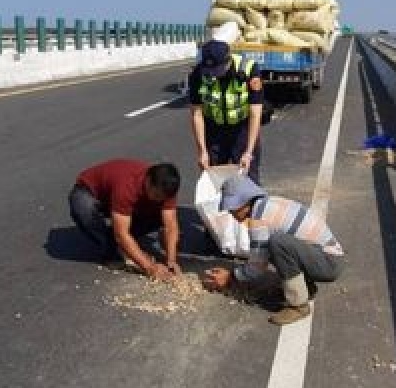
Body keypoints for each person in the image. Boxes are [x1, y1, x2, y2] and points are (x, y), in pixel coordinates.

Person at [200, 174, 345, 325]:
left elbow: (257, 267)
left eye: (233, 209)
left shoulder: (259, 218)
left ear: (245, 203)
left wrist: (231, 277)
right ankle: (305, 288)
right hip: (323, 256)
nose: (231, 213)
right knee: (274, 245)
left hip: (329, 263)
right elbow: (261, 255)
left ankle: (299, 306)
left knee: (277, 243)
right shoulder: (265, 204)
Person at [69, 159, 182, 280]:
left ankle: (127, 242)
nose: (159, 200)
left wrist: (171, 260)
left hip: (121, 200)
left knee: (161, 215)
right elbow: (121, 234)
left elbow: (170, 225)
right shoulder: (128, 186)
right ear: (148, 181)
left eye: (162, 198)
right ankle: (112, 250)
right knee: (83, 208)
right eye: (156, 196)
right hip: (92, 194)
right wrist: (150, 268)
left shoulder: (166, 189)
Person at [188, 39, 265, 183]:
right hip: (214, 130)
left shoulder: (249, 70)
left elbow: (255, 114)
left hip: (241, 129)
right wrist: (202, 151)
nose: (213, 74)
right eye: (209, 70)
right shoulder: (198, 74)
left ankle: (251, 203)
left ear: (228, 61)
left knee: (248, 177)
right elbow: (196, 114)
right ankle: (219, 205)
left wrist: (248, 152)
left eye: (217, 70)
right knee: (213, 178)